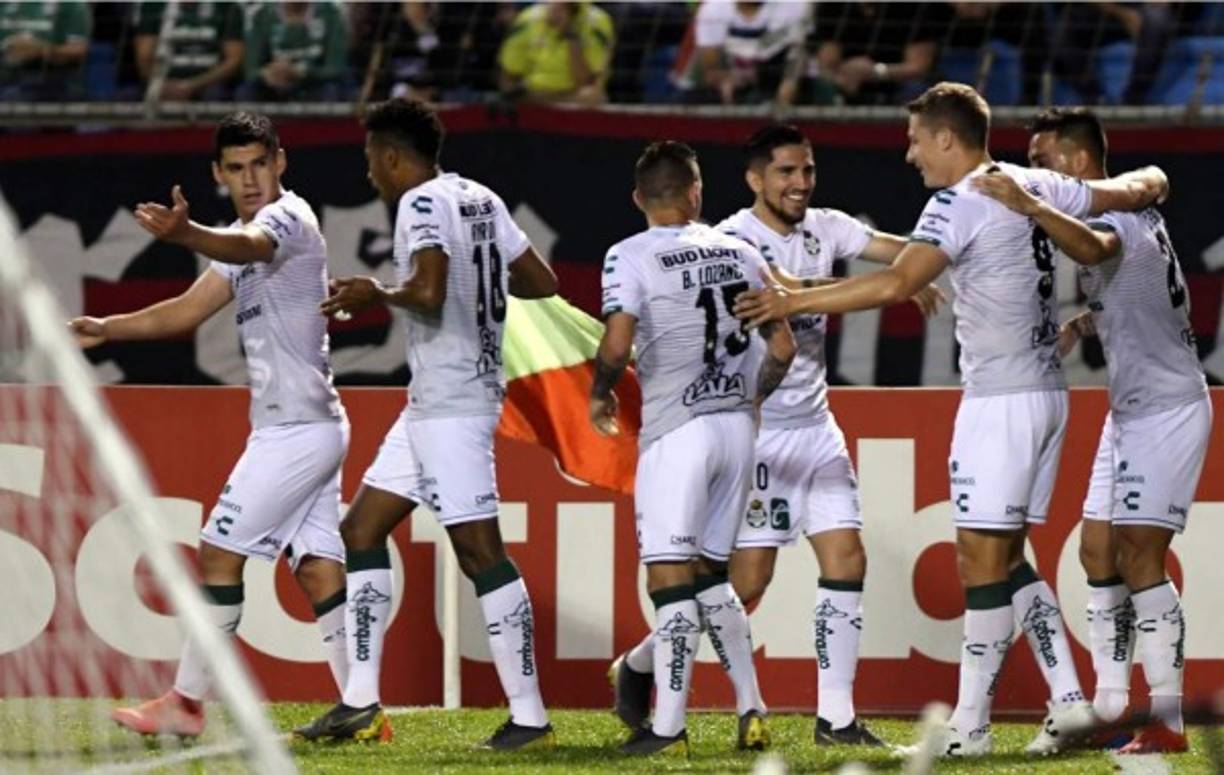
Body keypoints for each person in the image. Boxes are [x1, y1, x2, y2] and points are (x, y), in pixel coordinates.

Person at [733, 82, 1171, 756]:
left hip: (999, 401)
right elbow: (1119, 194)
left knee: (979, 562)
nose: (910, 155)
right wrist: (1150, 182)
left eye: (915, 140)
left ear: (946, 138)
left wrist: (790, 303)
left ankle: (971, 725)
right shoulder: (1027, 181)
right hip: (1046, 394)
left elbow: (895, 283)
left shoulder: (957, 201)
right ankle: (1069, 703)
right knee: (1003, 559)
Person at [609, 123, 944, 750]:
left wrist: (926, 262)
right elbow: (784, 295)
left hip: (816, 426)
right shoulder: (731, 239)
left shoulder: (830, 227)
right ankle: (641, 664)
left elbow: (904, 248)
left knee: (848, 559)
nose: (799, 184)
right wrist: (887, 286)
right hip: (759, 431)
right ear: (755, 180)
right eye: (786, 173)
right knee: (744, 585)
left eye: (807, 171)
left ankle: (836, 720)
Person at [291, 97, 560, 749]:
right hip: (433, 400)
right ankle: (359, 701)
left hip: (454, 404)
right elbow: (540, 279)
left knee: (480, 552)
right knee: (360, 527)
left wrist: (376, 292)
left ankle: (531, 717)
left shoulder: (417, 204)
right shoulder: (481, 197)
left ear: (390, 155)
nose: (369, 175)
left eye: (369, 160)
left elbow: (431, 289)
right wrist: (480, 295)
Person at [71, 113, 350, 737]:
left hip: (297, 430)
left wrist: (185, 232)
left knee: (219, 553)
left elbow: (251, 246)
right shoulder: (238, 233)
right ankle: (361, 706)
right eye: (236, 168)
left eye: (259, 164)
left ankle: (186, 703)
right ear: (218, 173)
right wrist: (107, 328)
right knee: (317, 569)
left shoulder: (287, 219)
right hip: (304, 424)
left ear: (280, 161)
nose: (250, 179)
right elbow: (186, 312)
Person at [977, 106, 1210, 754]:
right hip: (1129, 409)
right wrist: (1083, 323)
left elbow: (1093, 247)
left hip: (1166, 410)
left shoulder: (1109, 221)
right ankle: (1111, 703)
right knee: (1097, 552)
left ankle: (1166, 724)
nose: (1035, 170)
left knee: (1139, 556)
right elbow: (1127, 285)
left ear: (1078, 162)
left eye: (1043, 159)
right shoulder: (1127, 206)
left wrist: (1025, 202)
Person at [594, 140, 796, 755]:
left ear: (638, 199)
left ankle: (669, 728)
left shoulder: (628, 255)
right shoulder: (741, 250)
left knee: (670, 578)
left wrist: (601, 392)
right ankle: (752, 709)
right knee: (712, 576)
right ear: (696, 193)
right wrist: (753, 395)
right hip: (735, 427)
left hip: (675, 432)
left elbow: (616, 341)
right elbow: (783, 347)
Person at [498, 0, 615, 105]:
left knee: (591, 97)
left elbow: (585, 81)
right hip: (533, 91)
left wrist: (569, 32)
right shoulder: (528, 18)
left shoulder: (597, 22)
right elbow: (509, 74)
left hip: (574, 95)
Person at [134, 1, 244, 101]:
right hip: (163, 81)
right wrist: (163, 85)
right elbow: (144, 57)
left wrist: (191, 86)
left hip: (209, 84)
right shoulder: (153, 6)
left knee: (216, 95)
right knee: (136, 95)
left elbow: (234, 60)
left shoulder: (227, 6)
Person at [241, 1, 349, 102]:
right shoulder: (262, 15)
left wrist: (299, 72)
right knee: (247, 91)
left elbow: (335, 68)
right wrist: (266, 73)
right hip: (272, 83)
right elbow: (251, 70)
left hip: (314, 83)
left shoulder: (331, 14)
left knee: (330, 89)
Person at [0, 0, 90, 101]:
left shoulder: (72, 5)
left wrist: (39, 50)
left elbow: (79, 50)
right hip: (5, 76)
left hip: (52, 80)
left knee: (14, 95)